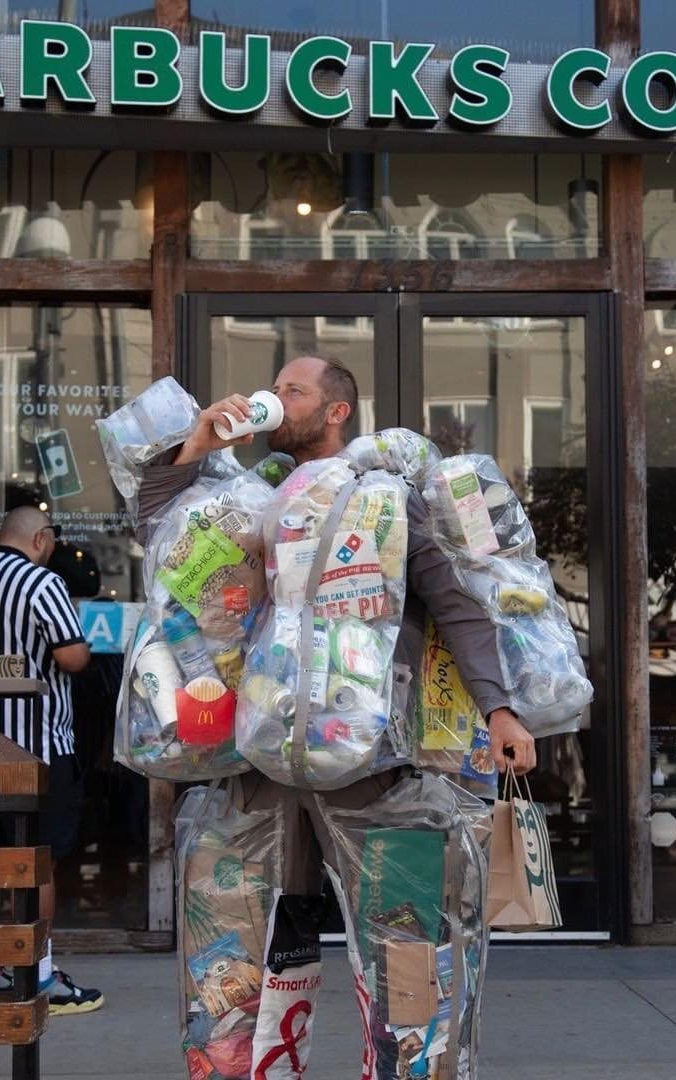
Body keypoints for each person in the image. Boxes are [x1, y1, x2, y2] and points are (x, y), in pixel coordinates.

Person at [138, 356, 536, 1075]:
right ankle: (256, 1063)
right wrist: (194, 450)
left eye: (293, 390)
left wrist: (500, 709)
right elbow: (163, 542)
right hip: (260, 764)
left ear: (336, 411)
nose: (273, 398)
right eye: (276, 386)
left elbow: (456, 602)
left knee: (406, 948)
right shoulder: (255, 496)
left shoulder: (385, 498)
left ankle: (411, 1065)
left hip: (375, 768)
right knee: (250, 942)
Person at [0, 506, 104, 1016]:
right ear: (41, 538)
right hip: (35, 747)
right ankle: (40, 973)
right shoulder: (40, 582)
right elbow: (72, 658)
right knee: (35, 864)